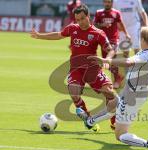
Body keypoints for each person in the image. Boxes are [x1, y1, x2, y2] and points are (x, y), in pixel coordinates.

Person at [30, 4, 117, 132]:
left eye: (82, 18)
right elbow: (58, 35)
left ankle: (114, 122)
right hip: (76, 69)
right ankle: (89, 120)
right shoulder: (72, 28)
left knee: (109, 92)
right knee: (74, 93)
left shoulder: (98, 33)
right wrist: (40, 35)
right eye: (77, 20)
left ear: (88, 16)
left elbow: (110, 50)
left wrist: (107, 59)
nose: (80, 22)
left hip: (93, 70)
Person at [93, 0, 131, 89]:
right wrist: (103, 24)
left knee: (108, 58)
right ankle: (118, 77)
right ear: (103, 2)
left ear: (112, 3)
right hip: (103, 40)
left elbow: (121, 23)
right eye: (106, 2)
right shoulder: (99, 13)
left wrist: (126, 34)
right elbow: (94, 25)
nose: (107, 4)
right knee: (107, 61)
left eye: (109, 2)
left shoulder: (116, 13)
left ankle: (117, 79)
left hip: (114, 39)